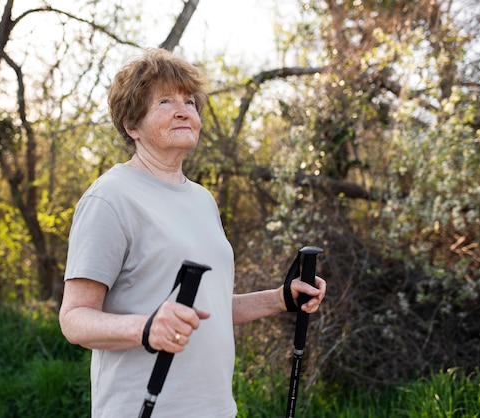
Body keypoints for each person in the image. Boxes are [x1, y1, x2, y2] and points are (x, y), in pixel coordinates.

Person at [58, 48, 326, 418]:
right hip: (141, 409)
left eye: (189, 100)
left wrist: (281, 298)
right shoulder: (110, 197)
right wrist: (146, 328)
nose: (184, 110)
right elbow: (74, 319)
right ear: (131, 125)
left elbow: (205, 306)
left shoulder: (202, 200)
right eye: (165, 101)